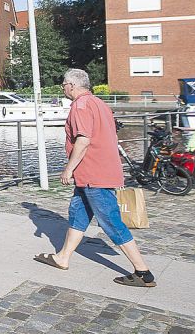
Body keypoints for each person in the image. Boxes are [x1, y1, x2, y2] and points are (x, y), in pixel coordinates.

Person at [34, 68, 156, 288]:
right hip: (96, 173)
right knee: (78, 214)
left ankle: (143, 272)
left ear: (72, 85)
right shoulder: (99, 103)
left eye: (63, 84)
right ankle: (63, 257)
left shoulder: (80, 106)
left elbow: (83, 140)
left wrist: (68, 169)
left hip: (93, 174)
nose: (63, 88)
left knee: (111, 221)